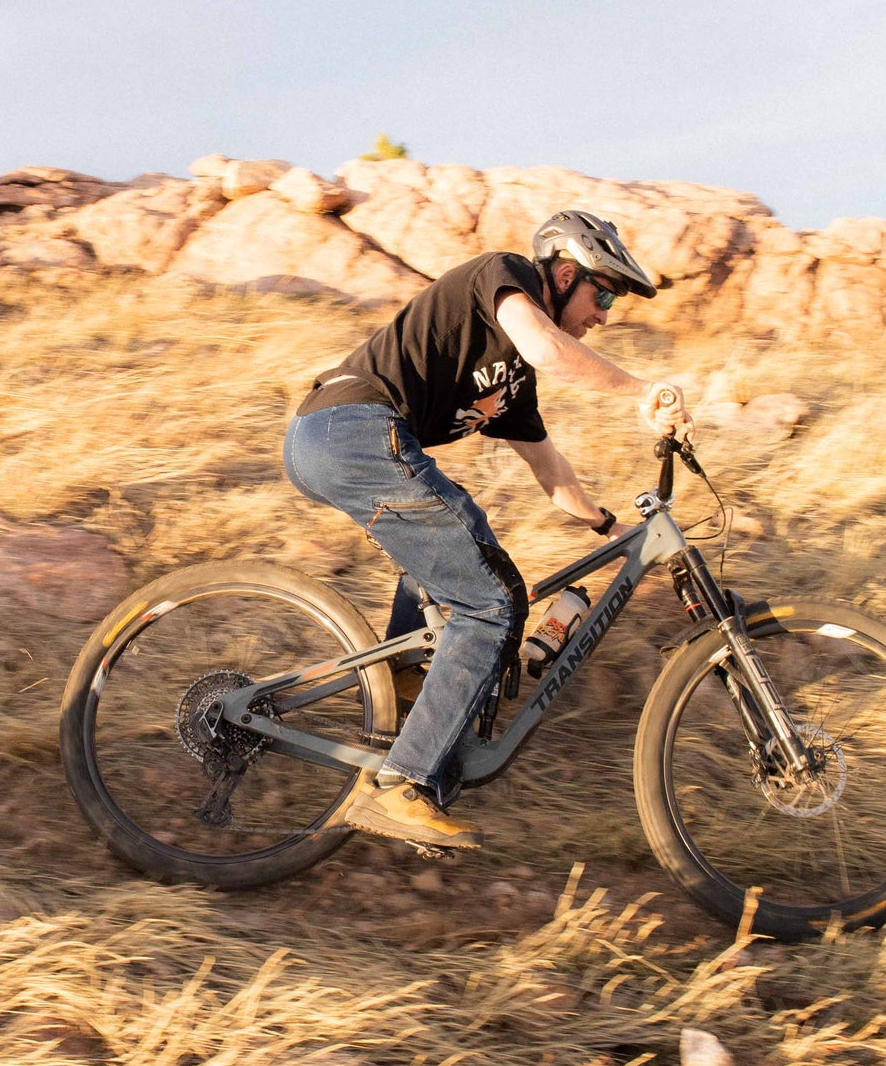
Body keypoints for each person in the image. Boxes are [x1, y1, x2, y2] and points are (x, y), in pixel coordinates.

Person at [282, 210, 692, 853]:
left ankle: (408, 682)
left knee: (466, 537)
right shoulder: (504, 276)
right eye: (602, 294)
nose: (605, 314)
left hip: (351, 441)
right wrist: (644, 390)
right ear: (562, 273)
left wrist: (605, 522)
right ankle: (401, 786)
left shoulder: (511, 380)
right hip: (348, 428)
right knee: (492, 602)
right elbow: (551, 349)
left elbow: (546, 464)